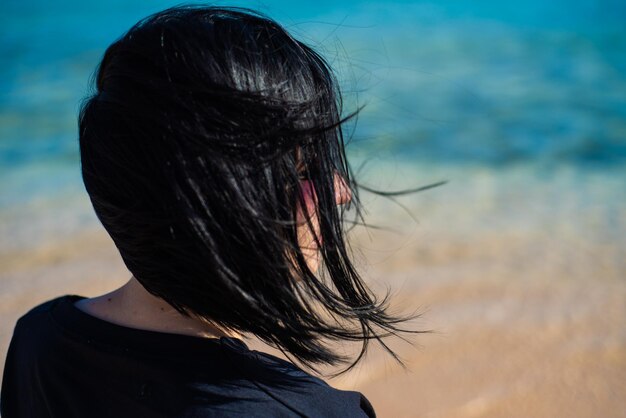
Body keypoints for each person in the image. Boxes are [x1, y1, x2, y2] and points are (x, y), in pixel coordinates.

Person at [1, 5, 418, 417]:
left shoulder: (38, 342)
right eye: (306, 170)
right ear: (217, 199)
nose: (340, 191)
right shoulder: (309, 413)